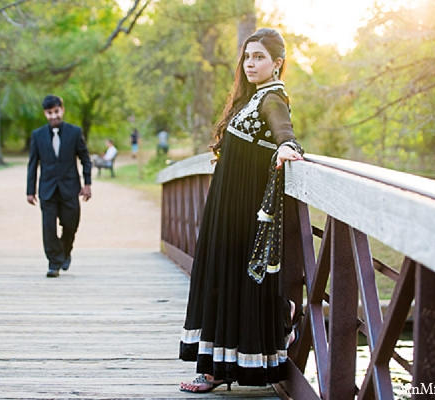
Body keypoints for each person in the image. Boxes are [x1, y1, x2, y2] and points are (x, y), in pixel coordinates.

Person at [178, 28, 304, 393]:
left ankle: (227, 364)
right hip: (227, 205)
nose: (251, 63)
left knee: (236, 277)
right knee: (225, 276)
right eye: (248, 56)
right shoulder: (250, 98)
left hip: (245, 207)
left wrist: (286, 146)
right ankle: (276, 320)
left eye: (260, 57)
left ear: (277, 63)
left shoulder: (272, 98)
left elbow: (283, 127)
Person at [26, 94, 92, 278]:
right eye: (49, 113)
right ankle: (54, 263)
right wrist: (30, 191)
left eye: (56, 111)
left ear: (62, 110)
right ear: (45, 114)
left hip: (70, 187)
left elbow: (85, 159)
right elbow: (33, 164)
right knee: (48, 227)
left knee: (71, 224)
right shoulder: (37, 135)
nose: (53, 116)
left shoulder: (74, 132)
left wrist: (87, 183)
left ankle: (65, 250)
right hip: (47, 189)